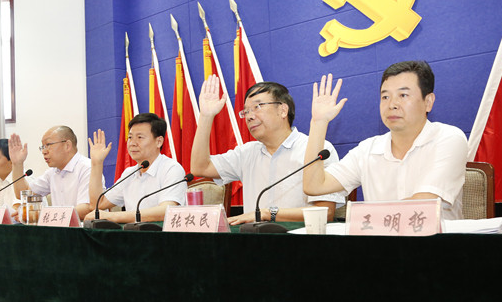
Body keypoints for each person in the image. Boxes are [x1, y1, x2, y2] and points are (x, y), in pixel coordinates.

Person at [303, 61, 468, 220]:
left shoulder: (448, 138)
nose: (392, 104)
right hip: (380, 239)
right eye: (385, 97)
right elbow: (314, 186)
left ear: (428, 102)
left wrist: (363, 217)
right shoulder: (367, 149)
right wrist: (318, 123)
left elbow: (422, 206)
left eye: (403, 95)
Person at [191, 75, 343, 225]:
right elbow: (200, 167)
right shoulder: (247, 153)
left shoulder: (318, 150)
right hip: (255, 238)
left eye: (257, 107)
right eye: (246, 111)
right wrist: (206, 116)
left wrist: (267, 214)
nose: (249, 117)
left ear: (283, 110)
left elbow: (325, 212)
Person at [84, 113, 186, 223]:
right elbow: (98, 204)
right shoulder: (129, 173)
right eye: (130, 137)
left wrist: (114, 216)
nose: (132, 143)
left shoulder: (172, 169)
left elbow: (166, 211)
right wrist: (97, 163)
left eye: (140, 137)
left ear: (159, 142)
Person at [9, 126, 94, 219]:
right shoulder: (52, 172)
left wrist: (43, 215)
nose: (44, 151)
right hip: (58, 226)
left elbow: (87, 208)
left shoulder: (87, 168)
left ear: (67, 145)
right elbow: (24, 194)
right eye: (43, 147)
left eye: (48, 145)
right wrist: (17, 164)